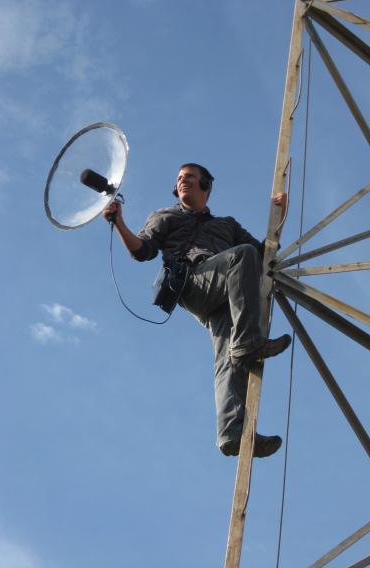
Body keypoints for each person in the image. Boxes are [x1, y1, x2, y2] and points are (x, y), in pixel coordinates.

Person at [103, 163, 291, 458]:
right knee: (241, 257)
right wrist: (119, 223)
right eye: (179, 179)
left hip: (228, 293)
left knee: (227, 360)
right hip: (192, 283)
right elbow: (142, 251)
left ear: (205, 184)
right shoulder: (164, 216)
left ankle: (231, 433)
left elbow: (264, 254)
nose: (182, 182)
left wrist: (279, 217)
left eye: (189, 178)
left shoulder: (227, 225)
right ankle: (247, 342)